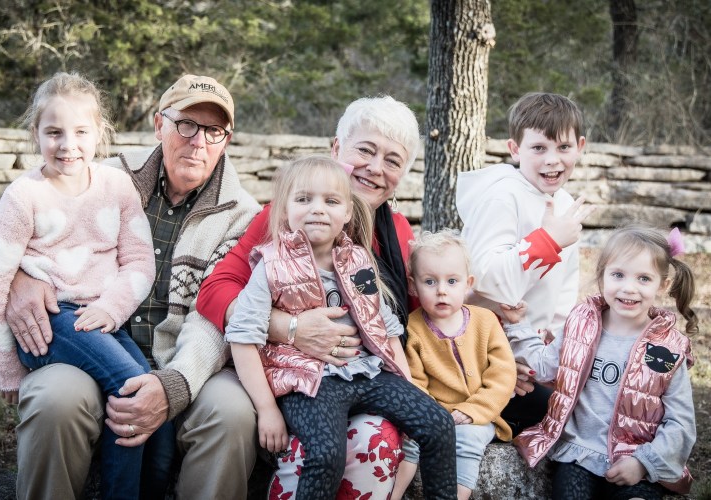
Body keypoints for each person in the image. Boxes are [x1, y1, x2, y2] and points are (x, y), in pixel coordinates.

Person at [3, 74, 261, 500]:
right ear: (159, 125)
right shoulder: (103, 177)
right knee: (54, 399)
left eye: (214, 130)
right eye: (186, 125)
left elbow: (215, 319)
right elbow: (25, 223)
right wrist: (20, 277)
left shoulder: (243, 216)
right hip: (92, 345)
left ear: (226, 140)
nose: (198, 141)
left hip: (184, 362)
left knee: (231, 413)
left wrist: (173, 384)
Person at [197, 95, 422, 496]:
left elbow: (418, 316)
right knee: (315, 448)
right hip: (292, 380)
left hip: (364, 381)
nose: (375, 167)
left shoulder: (398, 233)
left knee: (377, 440)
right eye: (365, 150)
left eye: (392, 160)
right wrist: (290, 327)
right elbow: (215, 292)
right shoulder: (287, 215)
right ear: (336, 149)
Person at [0, 72, 176, 499]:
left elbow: (139, 261)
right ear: (36, 134)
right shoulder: (24, 196)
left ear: (99, 132)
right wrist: (5, 364)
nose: (68, 145)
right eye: (54, 132)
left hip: (100, 320)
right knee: (131, 389)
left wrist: (111, 309)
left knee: (151, 392)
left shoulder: (115, 187)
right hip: (50, 320)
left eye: (81, 131)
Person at [225, 155, 456, 499]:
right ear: (284, 209)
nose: (317, 209)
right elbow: (243, 338)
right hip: (306, 383)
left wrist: (407, 385)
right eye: (304, 199)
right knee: (326, 454)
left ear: (347, 212)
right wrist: (267, 409)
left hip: (366, 373)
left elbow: (384, 326)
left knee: (438, 423)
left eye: (331, 201)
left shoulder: (358, 261)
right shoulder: (271, 265)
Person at [507, 226, 697, 499]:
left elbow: (681, 422)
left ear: (662, 285)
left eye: (644, 278)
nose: (628, 288)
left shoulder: (668, 348)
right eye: (618, 275)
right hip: (578, 454)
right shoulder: (580, 325)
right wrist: (519, 326)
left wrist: (643, 463)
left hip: (635, 458)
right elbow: (544, 367)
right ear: (602, 275)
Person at [455, 92, 595, 435]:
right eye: (539, 148)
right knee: (569, 420)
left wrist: (554, 354)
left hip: (531, 352)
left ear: (580, 146)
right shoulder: (501, 196)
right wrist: (548, 242)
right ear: (515, 149)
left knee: (594, 403)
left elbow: (563, 292)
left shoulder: (563, 203)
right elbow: (486, 280)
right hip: (481, 353)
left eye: (563, 147)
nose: (552, 160)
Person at [391, 229, 517, 500]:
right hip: (433, 416)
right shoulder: (413, 329)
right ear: (413, 285)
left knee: (468, 440)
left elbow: (503, 376)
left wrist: (473, 411)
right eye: (429, 281)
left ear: (467, 283)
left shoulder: (485, 321)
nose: (441, 291)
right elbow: (414, 383)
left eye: (451, 281)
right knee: (409, 441)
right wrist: (435, 417)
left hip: (478, 416)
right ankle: (394, 494)